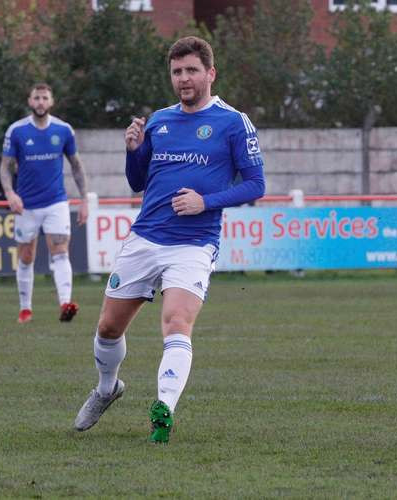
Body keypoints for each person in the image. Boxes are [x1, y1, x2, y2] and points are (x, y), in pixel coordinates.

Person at [73, 36, 266, 443]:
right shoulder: (159, 120)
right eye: (177, 72)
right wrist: (133, 150)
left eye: (192, 70)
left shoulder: (234, 122)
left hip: (194, 244)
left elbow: (256, 184)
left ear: (210, 73)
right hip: (145, 238)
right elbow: (137, 183)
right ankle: (107, 389)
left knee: (177, 322)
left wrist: (205, 202)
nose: (184, 79)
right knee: (108, 327)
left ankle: (164, 410)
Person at [0, 83, 89, 324]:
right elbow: (5, 167)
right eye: (36, 98)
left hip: (56, 202)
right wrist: (10, 193)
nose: (40, 102)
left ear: (51, 102)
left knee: (60, 252)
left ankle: (65, 303)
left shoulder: (63, 129)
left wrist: (84, 200)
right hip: (26, 205)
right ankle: (25, 309)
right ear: (30, 101)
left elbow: (77, 166)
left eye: (44, 98)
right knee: (26, 256)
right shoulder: (16, 131)